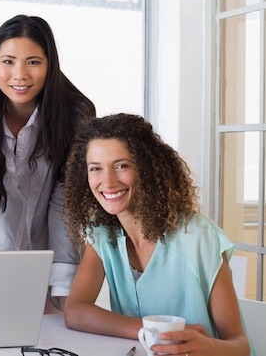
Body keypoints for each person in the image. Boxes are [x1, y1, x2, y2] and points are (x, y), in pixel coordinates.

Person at [62, 113, 250, 356]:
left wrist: (210, 347)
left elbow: (240, 346)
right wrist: (154, 332)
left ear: (147, 169)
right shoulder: (101, 234)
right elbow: (75, 311)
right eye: (95, 168)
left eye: (121, 166)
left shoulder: (196, 236)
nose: (107, 181)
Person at [0, 14, 96, 311]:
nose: (19, 75)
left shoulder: (75, 113)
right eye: (8, 61)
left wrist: (62, 288)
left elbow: (66, 200)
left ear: (50, 65)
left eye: (33, 62)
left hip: (50, 253)